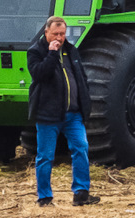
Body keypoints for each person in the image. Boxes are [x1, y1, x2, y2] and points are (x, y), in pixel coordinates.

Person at [27, 15, 96, 207]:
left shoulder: (71, 51)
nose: (59, 37)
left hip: (73, 114)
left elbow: (81, 77)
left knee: (81, 147)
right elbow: (40, 74)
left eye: (63, 34)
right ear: (46, 32)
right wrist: (51, 53)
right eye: (56, 33)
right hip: (48, 115)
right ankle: (44, 197)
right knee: (46, 156)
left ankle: (81, 193)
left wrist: (85, 104)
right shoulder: (35, 51)